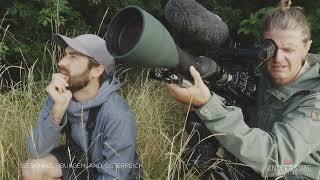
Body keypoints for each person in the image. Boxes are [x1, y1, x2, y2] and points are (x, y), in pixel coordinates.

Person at [167, 1, 320, 179]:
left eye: (289, 50)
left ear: (307, 47)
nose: (278, 58)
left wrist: (209, 106)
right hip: (249, 167)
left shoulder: (315, 97)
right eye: (272, 49)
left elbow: (276, 160)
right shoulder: (260, 74)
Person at [22, 34, 141, 180]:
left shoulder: (118, 115)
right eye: (65, 55)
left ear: (97, 70)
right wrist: (57, 113)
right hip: (78, 162)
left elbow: (114, 176)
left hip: (111, 172)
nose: (61, 62)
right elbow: (35, 151)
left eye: (73, 57)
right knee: (32, 169)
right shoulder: (60, 95)